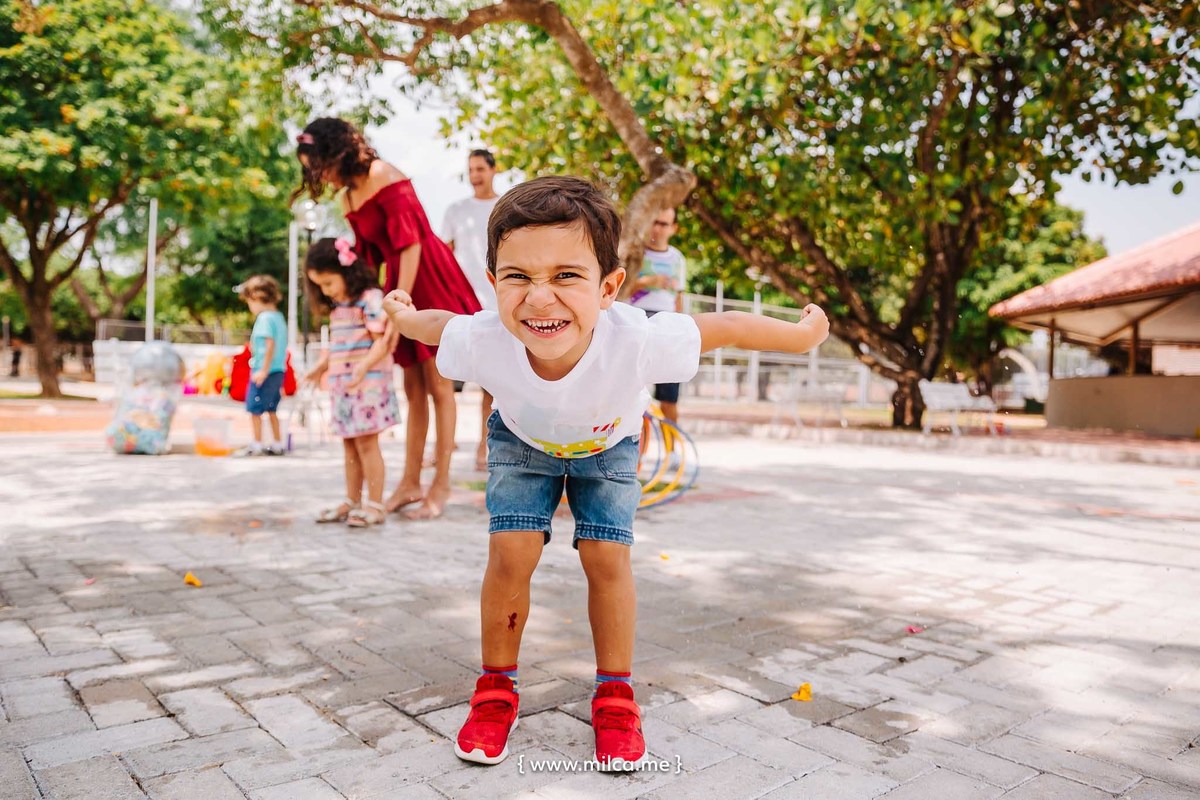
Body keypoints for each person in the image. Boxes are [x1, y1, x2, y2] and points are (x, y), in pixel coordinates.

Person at [382, 176, 830, 768]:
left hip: (608, 447)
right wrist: (402, 313)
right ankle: (495, 689)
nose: (540, 298)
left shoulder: (637, 338)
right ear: (493, 285)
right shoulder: (485, 336)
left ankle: (616, 695)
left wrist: (801, 336)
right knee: (511, 554)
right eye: (518, 277)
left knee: (606, 558)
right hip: (522, 443)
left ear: (609, 287)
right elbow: (436, 325)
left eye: (566, 275)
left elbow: (724, 326)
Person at [296, 118, 482, 520]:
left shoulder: (383, 174)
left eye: (319, 165)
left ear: (335, 152)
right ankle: (410, 482)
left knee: (439, 385)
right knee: (413, 388)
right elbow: (369, 259)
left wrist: (401, 308)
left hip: (427, 277)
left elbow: (411, 244)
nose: (319, 175)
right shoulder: (347, 199)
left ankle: (440, 484)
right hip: (396, 286)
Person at [303, 237, 400, 528]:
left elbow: (382, 342)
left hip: (367, 386)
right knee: (349, 445)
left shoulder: (370, 299)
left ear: (346, 271)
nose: (325, 290)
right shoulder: (339, 306)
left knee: (367, 444)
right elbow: (338, 346)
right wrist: (320, 368)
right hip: (344, 388)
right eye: (320, 286)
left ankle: (375, 504)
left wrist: (363, 367)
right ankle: (352, 499)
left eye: (328, 283)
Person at [442, 149, 501, 470]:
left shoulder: (506, 207)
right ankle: (444, 447)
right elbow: (444, 254)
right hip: (460, 308)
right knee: (448, 384)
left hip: (495, 308)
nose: (475, 175)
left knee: (490, 387)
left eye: (480, 169)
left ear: (493, 170)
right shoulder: (455, 211)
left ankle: (483, 447)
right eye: (471, 170)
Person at [627, 207, 688, 423]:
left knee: (669, 396)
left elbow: (678, 297)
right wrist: (649, 281)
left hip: (667, 325)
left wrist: (680, 328)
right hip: (636, 321)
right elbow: (619, 289)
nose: (657, 228)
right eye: (654, 221)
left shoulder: (678, 258)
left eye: (663, 224)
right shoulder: (634, 254)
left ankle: (671, 442)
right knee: (632, 394)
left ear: (674, 228)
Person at [233, 276, 288, 457]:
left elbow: (269, 344)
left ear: (257, 297)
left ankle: (256, 444)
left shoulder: (264, 318)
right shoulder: (278, 317)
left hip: (264, 370)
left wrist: (263, 369)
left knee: (254, 408)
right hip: (278, 370)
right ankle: (277, 443)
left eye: (249, 301)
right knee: (272, 408)